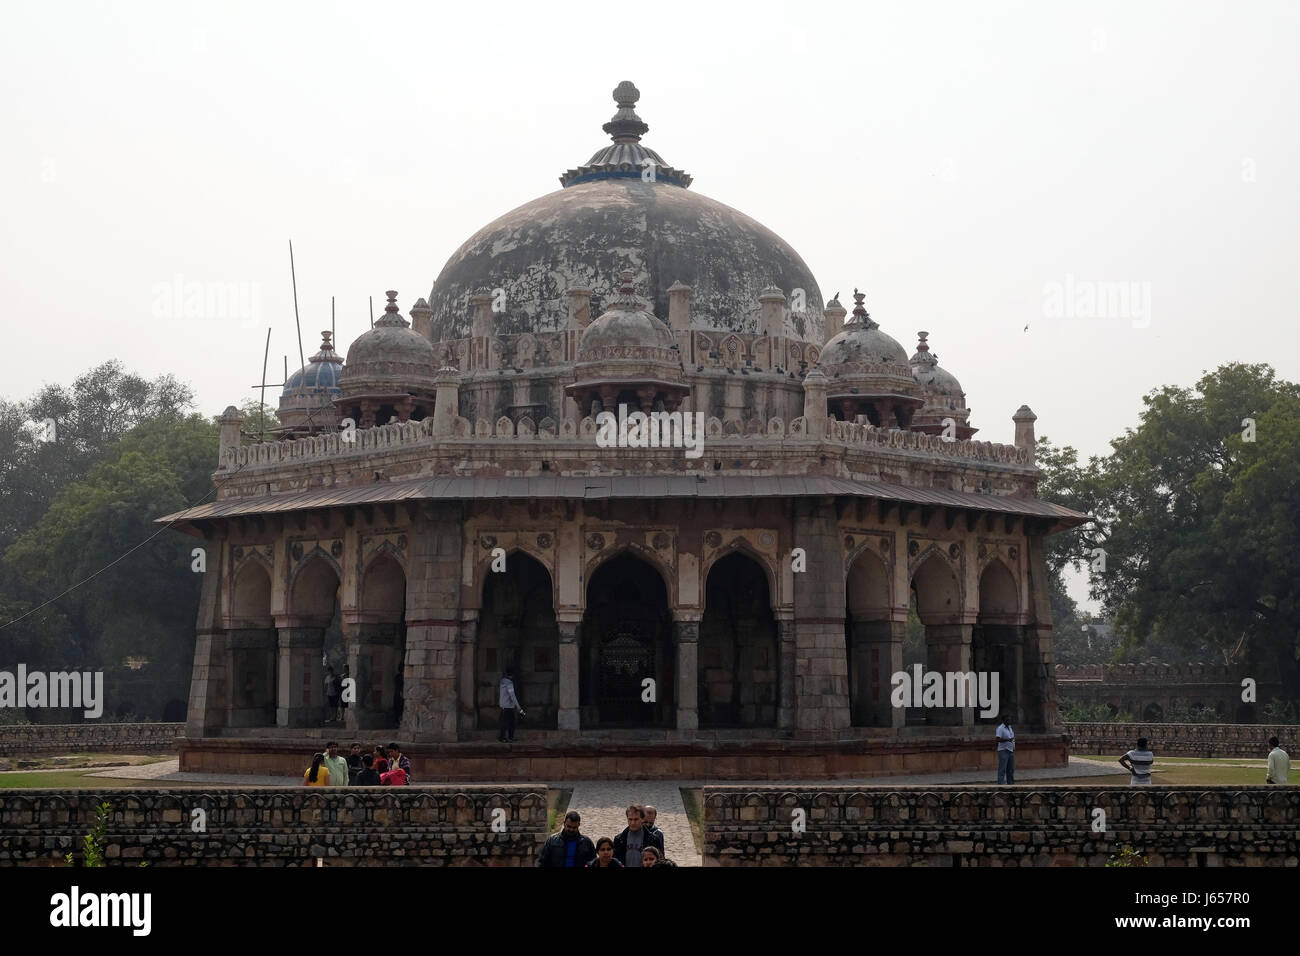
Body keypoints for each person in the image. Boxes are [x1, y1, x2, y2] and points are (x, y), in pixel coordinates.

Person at [498, 670, 525, 742]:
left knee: (507, 722)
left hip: (504, 705)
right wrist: (518, 707)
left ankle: (507, 737)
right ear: (512, 675)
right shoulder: (509, 683)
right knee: (509, 723)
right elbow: (512, 695)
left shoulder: (502, 681)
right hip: (508, 706)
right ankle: (505, 737)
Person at [995, 714, 1015, 785]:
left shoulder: (1010, 727)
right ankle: (1000, 784)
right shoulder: (1000, 728)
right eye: (1008, 719)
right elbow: (997, 739)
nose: (1009, 721)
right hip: (1003, 750)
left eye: (1010, 719)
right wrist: (1007, 740)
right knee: (1002, 769)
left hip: (1011, 750)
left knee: (1011, 769)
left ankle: (1011, 784)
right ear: (1004, 720)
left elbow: (1012, 738)